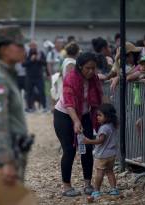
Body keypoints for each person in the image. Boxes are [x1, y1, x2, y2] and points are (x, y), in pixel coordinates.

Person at [0, 25, 34, 189]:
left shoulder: (7, 75)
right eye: (18, 45)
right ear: (3, 49)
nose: (23, 49)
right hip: (4, 158)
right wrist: (7, 162)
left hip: (14, 152)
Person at [54, 52, 103, 197]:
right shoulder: (71, 78)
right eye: (88, 68)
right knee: (69, 150)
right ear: (80, 67)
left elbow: (98, 97)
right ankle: (66, 186)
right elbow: (69, 103)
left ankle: (88, 184)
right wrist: (76, 121)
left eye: (94, 68)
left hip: (85, 114)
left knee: (87, 148)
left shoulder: (94, 79)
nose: (91, 71)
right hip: (64, 115)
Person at [83, 103, 119, 201]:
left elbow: (100, 140)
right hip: (111, 154)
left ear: (107, 117)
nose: (97, 117)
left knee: (99, 173)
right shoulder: (112, 125)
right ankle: (114, 189)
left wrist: (89, 141)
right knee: (110, 171)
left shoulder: (104, 128)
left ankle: (96, 190)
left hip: (102, 155)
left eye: (100, 115)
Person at [22, 41, 47, 112]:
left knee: (42, 91)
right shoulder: (26, 54)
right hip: (29, 76)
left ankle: (44, 107)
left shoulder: (40, 53)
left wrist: (39, 60)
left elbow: (45, 63)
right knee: (29, 92)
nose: (33, 47)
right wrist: (31, 60)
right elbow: (23, 64)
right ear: (29, 46)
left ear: (37, 46)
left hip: (39, 76)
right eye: (32, 46)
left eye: (34, 46)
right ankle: (29, 108)